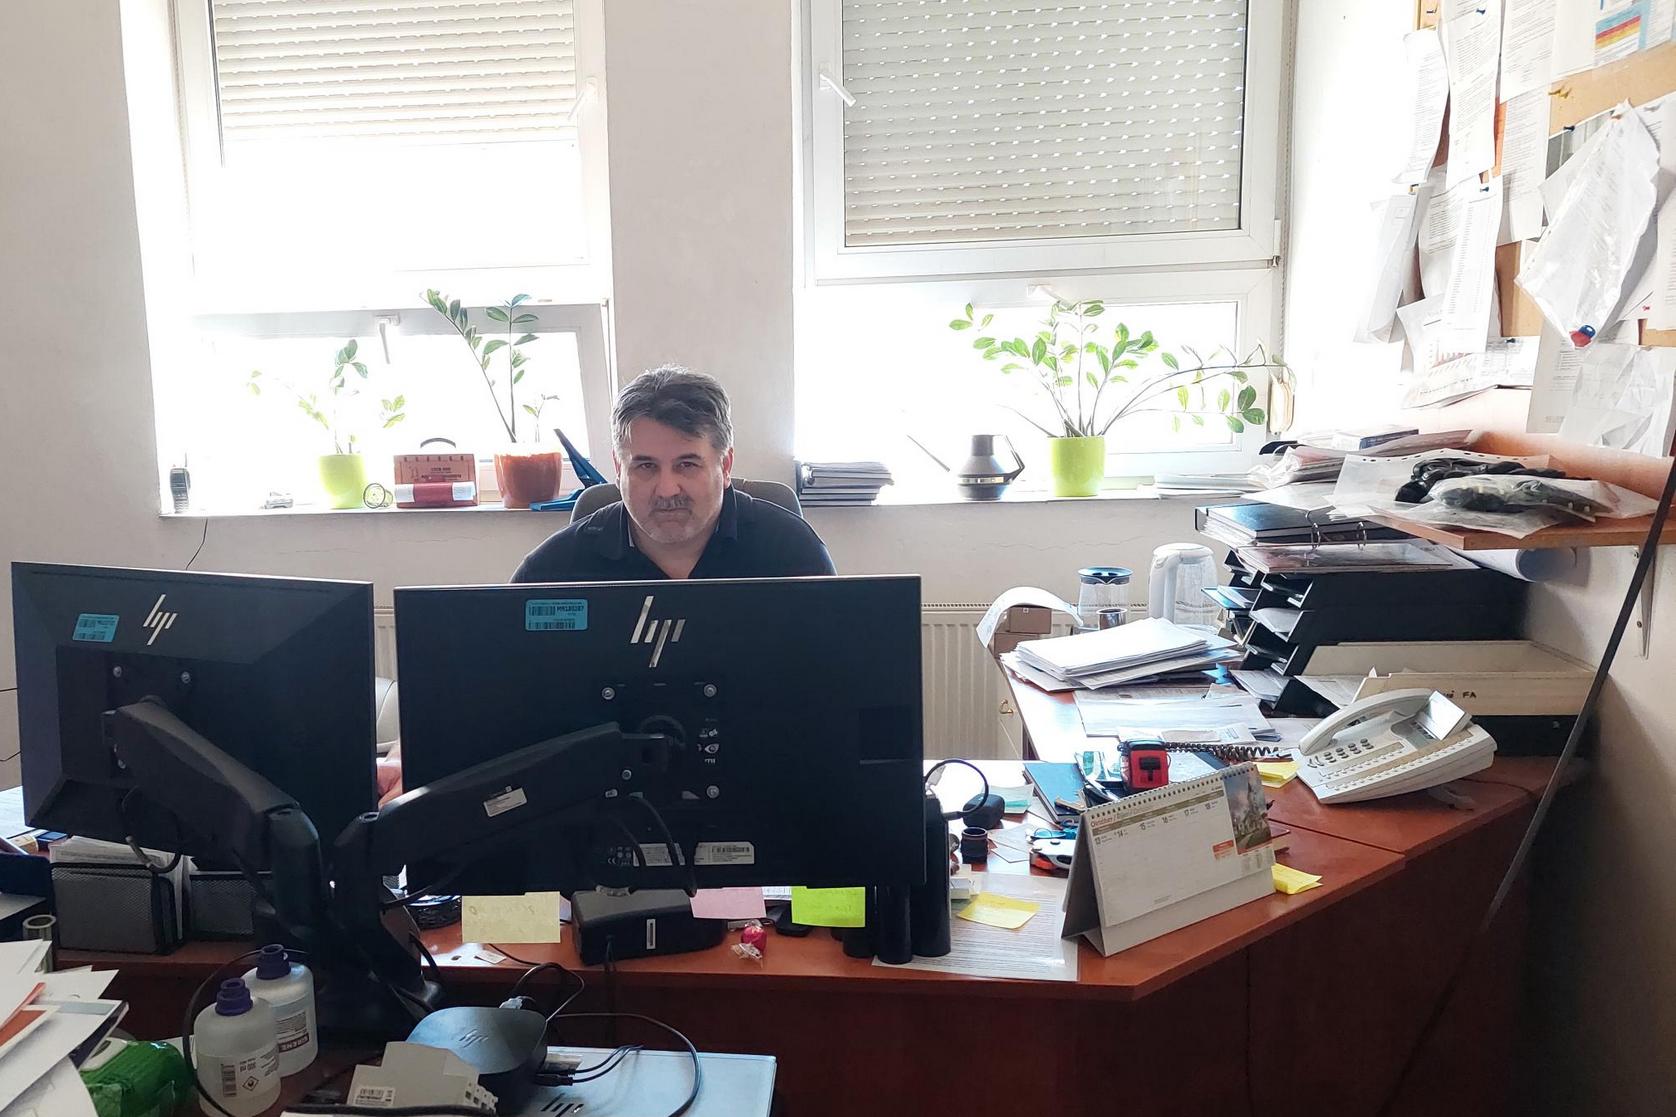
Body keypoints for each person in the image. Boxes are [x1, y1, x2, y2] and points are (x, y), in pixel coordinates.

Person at [375, 365, 835, 803]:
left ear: (725, 463)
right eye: (645, 466)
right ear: (618, 468)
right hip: (595, 810)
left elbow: (838, 688)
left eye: (688, 464)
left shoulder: (791, 551)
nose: (667, 489)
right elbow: (492, 688)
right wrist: (412, 749)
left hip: (766, 794)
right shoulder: (556, 568)